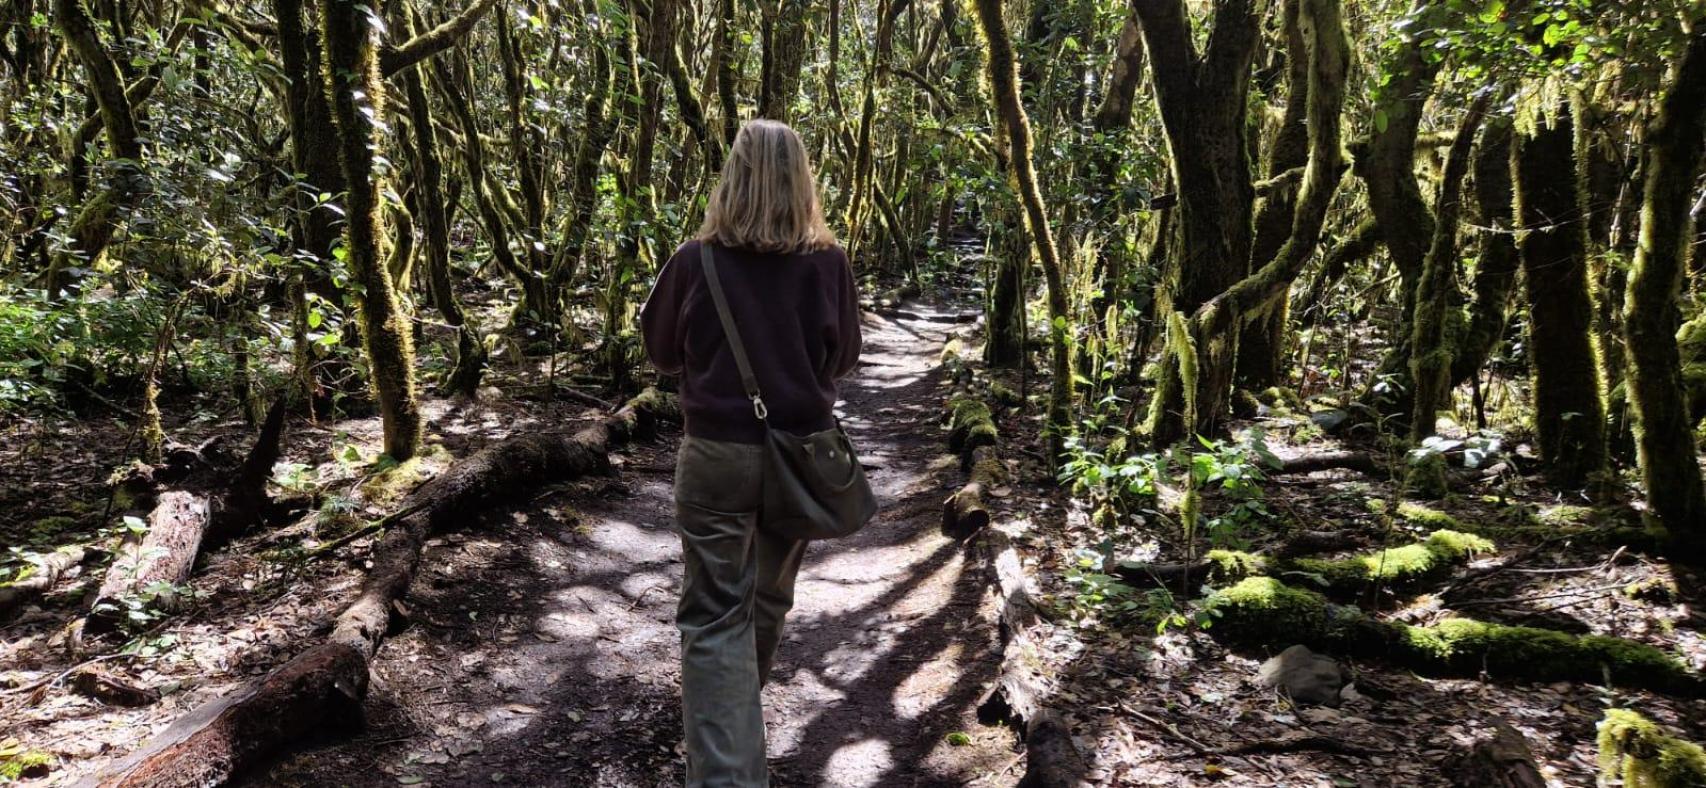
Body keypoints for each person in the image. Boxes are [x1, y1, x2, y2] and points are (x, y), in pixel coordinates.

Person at [640, 119, 863, 787]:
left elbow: (659, 351)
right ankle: (733, 732)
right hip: (801, 457)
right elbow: (844, 356)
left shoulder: (694, 261)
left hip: (716, 456)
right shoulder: (828, 264)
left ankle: (726, 761)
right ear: (802, 182)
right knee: (765, 598)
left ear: (731, 178)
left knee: (715, 615)